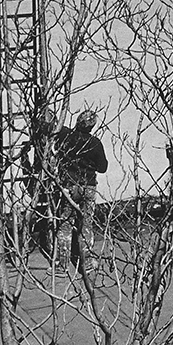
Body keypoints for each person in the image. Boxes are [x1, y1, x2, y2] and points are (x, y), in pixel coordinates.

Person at [54, 110, 108, 271]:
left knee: (65, 225)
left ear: (78, 121)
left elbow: (47, 127)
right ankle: (87, 263)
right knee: (86, 225)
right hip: (89, 187)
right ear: (92, 127)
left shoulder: (65, 135)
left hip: (70, 186)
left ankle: (62, 266)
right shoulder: (95, 143)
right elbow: (103, 167)